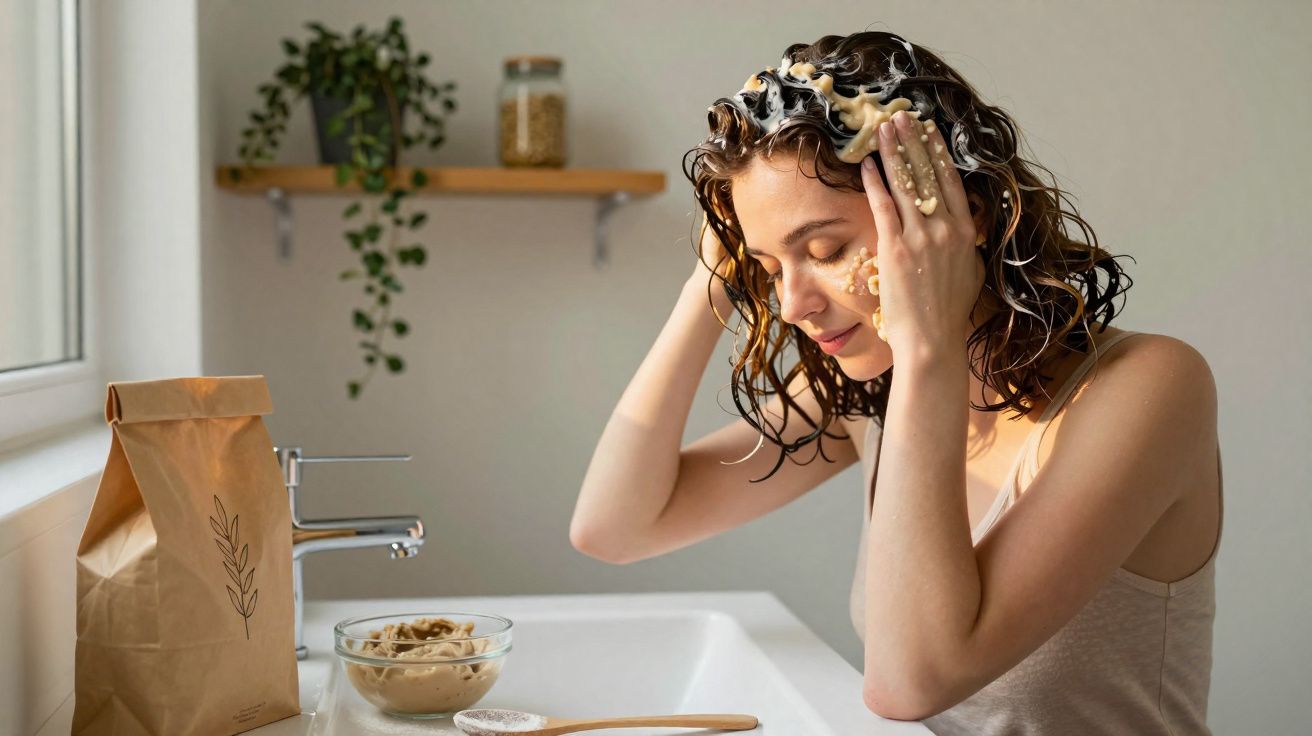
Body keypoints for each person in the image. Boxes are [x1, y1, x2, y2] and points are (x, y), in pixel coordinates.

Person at [571, 31, 1221, 735]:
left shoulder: (1149, 389)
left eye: (827, 250)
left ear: (964, 213)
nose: (791, 305)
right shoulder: (872, 394)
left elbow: (910, 683)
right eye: (768, 268)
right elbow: (615, 528)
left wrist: (926, 344)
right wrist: (711, 281)